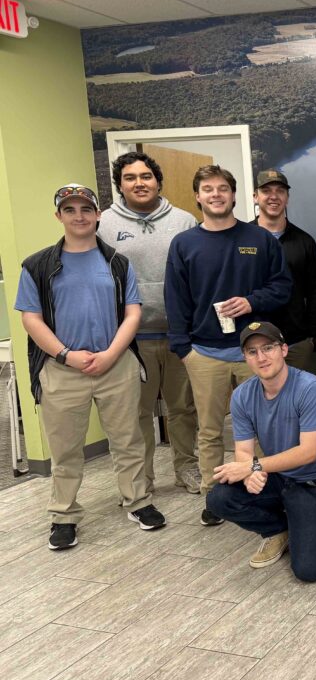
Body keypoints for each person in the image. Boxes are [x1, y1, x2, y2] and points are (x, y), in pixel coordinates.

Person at [16, 184, 166, 550]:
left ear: (98, 214)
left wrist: (112, 353)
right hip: (62, 369)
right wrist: (67, 355)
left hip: (116, 365)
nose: (79, 216)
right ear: (59, 216)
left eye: (86, 208)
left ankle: (138, 502)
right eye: (70, 210)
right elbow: (32, 319)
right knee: (65, 448)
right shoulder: (37, 266)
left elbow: (132, 313)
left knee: (128, 439)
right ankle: (64, 515)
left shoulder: (116, 262)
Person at [165, 165, 291, 525]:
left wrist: (252, 302)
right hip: (203, 354)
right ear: (198, 196)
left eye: (223, 188)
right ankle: (213, 495)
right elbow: (175, 300)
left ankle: (271, 490)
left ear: (234, 195)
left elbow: (282, 288)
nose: (216, 194)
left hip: (256, 353)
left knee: (268, 428)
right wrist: (183, 349)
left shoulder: (260, 239)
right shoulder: (185, 244)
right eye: (208, 189)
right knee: (209, 431)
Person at [206, 322, 316, 582]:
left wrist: (255, 467)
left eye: (268, 348)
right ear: (245, 358)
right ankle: (278, 528)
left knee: (310, 571)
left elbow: (309, 452)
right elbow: (244, 451)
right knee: (219, 498)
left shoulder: (309, 387)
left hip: (313, 481)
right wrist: (249, 474)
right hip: (277, 476)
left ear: (283, 349)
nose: (261, 357)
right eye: (252, 351)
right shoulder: (243, 395)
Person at [100, 151, 200, 495]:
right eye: (130, 178)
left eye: (145, 176)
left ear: (158, 181)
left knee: (183, 408)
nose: (139, 183)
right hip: (131, 339)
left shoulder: (185, 221)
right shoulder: (104, 224)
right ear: (120, 185)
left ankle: (187, 468)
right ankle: (142, 478)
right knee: (138, 413)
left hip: (178, 335)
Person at [249, 169, 316, 373]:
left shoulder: (304, 241)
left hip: (296, 343)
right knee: (259, 402)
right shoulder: (241, 239)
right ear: (255, 196)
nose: (274, 196)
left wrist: (311, 335)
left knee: (294, 401)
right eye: (267, 190)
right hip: (254, 343)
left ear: (287, 198)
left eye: (280, 191)